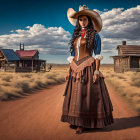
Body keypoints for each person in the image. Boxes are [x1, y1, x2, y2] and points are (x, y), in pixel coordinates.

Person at [60, 5, 114, 134]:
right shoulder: (76, 35)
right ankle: (76, 121)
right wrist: (69, 71)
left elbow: (97, 55)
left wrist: (96, 71)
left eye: (84, 19)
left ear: (89, 20)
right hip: (75, 68)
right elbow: (72, 56)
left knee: (85, 96)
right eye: (80, 20)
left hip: (88, 67)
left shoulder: (95, 35)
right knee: (75, 96)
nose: (82, 22)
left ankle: (83, 124)